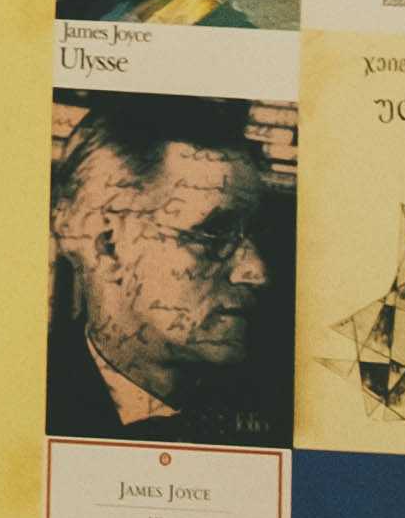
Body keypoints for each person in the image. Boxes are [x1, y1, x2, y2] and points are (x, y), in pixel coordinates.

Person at [44, 91, 289, 446]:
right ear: (107, 245)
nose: (257, 271)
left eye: (256, 235)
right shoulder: (24, 399)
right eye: (210, 233)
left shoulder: (283, 406)